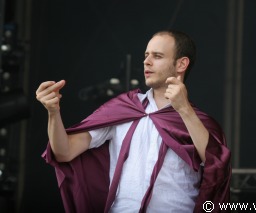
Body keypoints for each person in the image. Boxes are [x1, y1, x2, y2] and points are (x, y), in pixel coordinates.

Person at [36, 30, 231, 213]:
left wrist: (184, 109)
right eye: (146, 55)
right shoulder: (124, 108)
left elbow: (215, 164)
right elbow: (63, 152)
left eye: (157, 56)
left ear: (181, 64)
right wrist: (53, 113)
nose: (147, 62)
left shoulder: (199, 122)